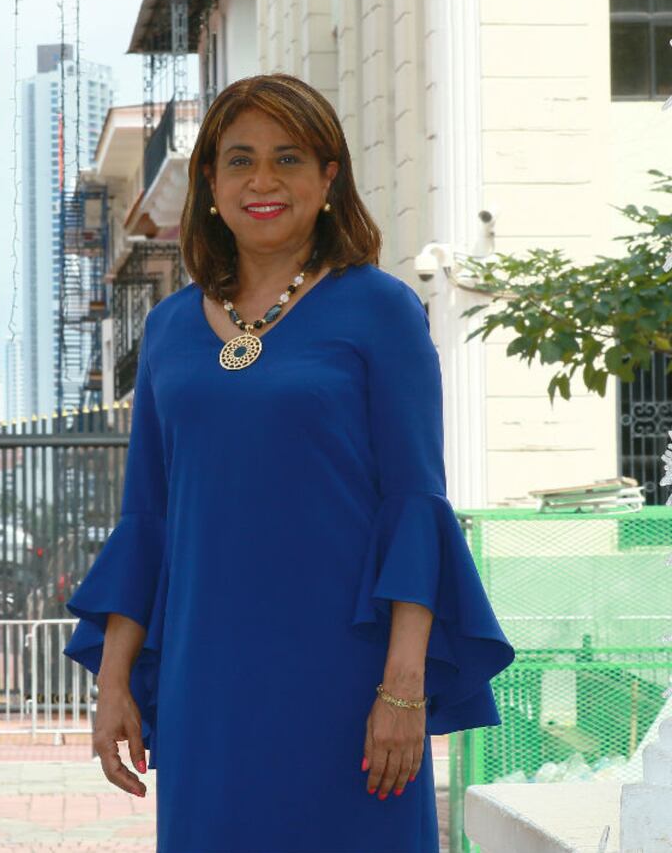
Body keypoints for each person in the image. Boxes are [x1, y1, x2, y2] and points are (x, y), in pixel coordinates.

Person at [61, 74, 515, 852]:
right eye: (240, 160)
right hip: (207, 688)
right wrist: (113, 685)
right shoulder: (169, 329)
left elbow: (415, 506)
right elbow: (148, 522)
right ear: (210, 182)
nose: (263, 181)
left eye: (289, 159)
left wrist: (403, 688)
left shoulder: (381, 310)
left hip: (349, 683)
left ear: (328, 177)